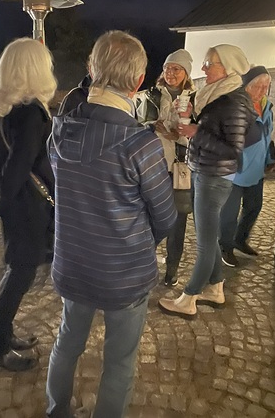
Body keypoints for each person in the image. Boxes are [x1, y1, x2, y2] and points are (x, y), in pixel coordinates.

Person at [46, 30, 177, 418]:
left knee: (67, 341)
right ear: (138, 81)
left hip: (74, 263)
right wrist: (138, 240)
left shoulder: (60, 131)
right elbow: (165, 217)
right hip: (124, 272)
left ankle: (56, 411)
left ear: (91, 69)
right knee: (119, 361)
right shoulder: (140, 144)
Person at [159, 44, 255, 318]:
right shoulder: (218, 95)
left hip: (214, 177)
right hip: (205, 171)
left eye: (210, 63)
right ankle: (215, 288)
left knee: (204, 241)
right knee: (208, 237)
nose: (204, 68)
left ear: (227, 68)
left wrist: (196, 133)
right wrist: (194, 120)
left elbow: (233, 149)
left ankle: (188, 298)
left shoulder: (233, 101)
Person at [0, 37, 57, 371]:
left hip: (15, 203)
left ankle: (3, 334)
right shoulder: (32, 113)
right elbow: (17, 165)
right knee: (20, 274)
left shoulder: (6, 108)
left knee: (17, 271)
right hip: (27, 206)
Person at [135, 49, 196, 286]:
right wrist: (153, 127)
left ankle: (172, 268)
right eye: (167, 68)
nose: (170, 73)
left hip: (179, 168)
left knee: (178, 221)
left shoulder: (195, 99)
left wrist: (177, 135)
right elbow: (136, 126)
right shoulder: (150, 95)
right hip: (152, 166)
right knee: (147, 217)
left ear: (186, 73)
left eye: (176, 69)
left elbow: (199, 134)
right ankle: (144, 263)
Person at [219, 66, 275, 267]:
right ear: (246, 86)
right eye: (257, 86)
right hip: (235, 171)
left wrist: (270, 158)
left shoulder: (267, 107)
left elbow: (267, 136)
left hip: (256, 169)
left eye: (265, 86)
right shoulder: (236, 107)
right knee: (229, 214)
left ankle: (240, 239)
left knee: (254, 207)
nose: (262, 91)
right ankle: (224, 247)